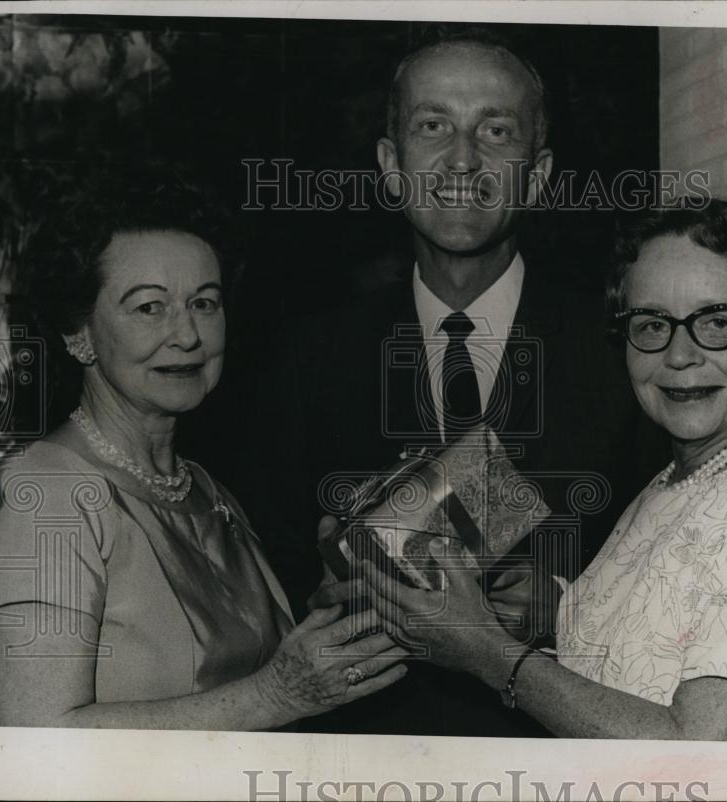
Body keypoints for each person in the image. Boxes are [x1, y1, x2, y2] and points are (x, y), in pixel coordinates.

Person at [247, 27, 664, 737]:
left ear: (537, 173)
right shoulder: (309, 354)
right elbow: (265, 567)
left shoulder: (621, 346)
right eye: (433, 125)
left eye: (496, 130)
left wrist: (567, 605)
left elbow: (674, 559)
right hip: (366, 754)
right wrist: (318, 592)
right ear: (390, 163)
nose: (463, 159)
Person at [360, 199, 727, 742]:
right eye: (652, 324)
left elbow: (703, 760)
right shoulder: (673, 482)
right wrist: (553, 609)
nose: (678, 355)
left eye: (717, 322)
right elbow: (649, 657)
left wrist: (489, 652)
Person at [0, 176, 406, 730]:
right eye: (149, 308)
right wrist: (277, 695)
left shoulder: (205, 490)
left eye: (204, 302)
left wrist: (337, 607)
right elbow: (33, 739)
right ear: (79, 332)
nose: (187, 335)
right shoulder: (47, 496)